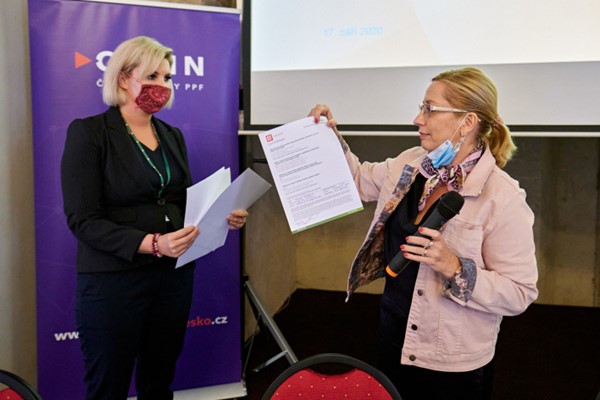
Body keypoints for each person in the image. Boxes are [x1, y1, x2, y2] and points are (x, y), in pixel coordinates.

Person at [309, 67, 538, 400]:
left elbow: (520, 293)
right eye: (421, 107)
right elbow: (357, 180)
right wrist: (328, 136)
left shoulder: (503, 198)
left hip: (451, 363)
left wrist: (455, 267)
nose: (417, 119)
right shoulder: (411, 163)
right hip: (394, 339)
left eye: (430, 109)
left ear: (468, 121)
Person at [60, 36, 248, 400]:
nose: (162, 85)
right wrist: (152, 244)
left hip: (171, 280)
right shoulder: (90, 133)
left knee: (158, 382)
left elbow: (179, 202)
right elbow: (82, 219)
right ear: (122, 79)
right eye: (152, 76)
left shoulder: (171, 135)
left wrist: (221, 212)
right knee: (108, 386)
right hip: (113, 283)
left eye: (167, 77)